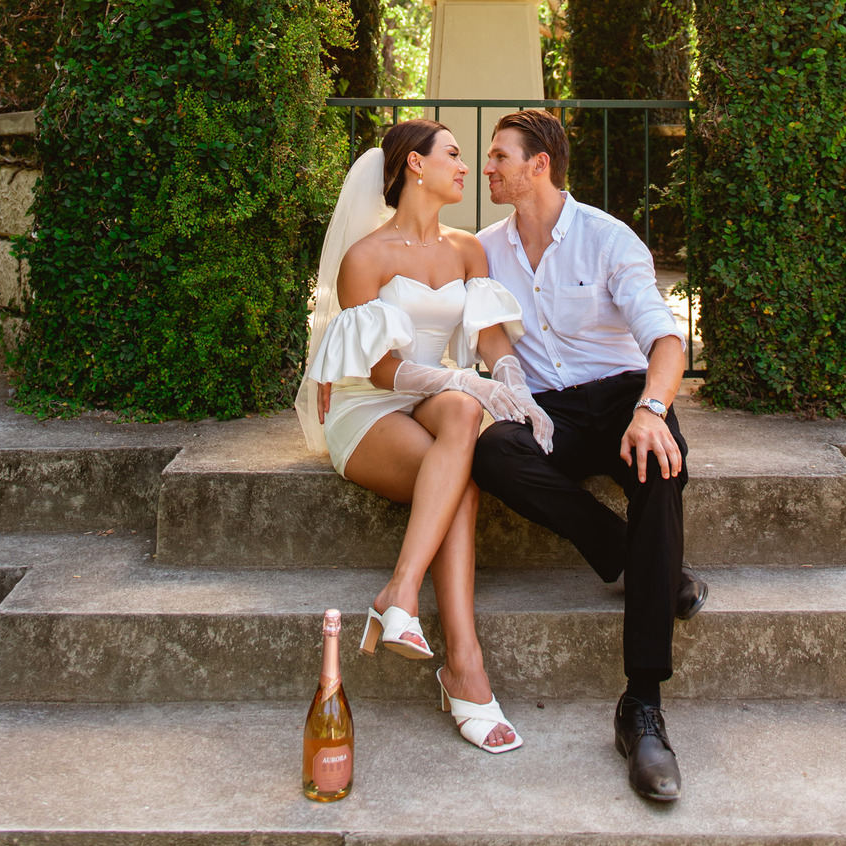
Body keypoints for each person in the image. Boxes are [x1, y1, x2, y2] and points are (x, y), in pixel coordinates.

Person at [295, 117, 555, 754]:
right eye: (455, 155)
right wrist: (463, 381)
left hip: (431, 401)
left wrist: (514, 388)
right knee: (459, 472)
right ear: (415, 164)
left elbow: (491, 340)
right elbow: (380, 370)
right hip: (370, 406)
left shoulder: (467, 250)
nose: (468, 168)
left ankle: (401, 592)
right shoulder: (366, 258)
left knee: (463, 415)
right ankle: (464, 666)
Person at [471, 109, 708, 803]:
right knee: (493, 451)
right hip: (550, 408)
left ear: (539, 164)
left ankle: (642, 705)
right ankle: (643, 562)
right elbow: (485, 331)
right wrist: (513, 389)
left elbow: (666, 342)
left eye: (499, 156)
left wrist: (651, 410)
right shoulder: (485, 249)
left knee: (660, 463)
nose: (488, 167)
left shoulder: (607, 237)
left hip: (624, 395)